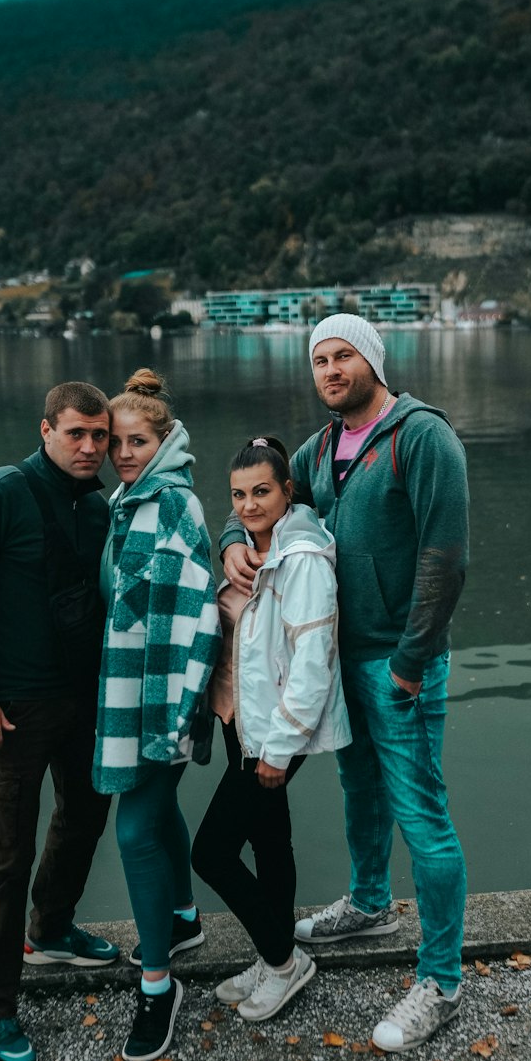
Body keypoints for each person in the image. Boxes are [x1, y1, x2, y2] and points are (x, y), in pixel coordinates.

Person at [221, 316, 469, 1053]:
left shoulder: (423, 438)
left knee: (421, 812)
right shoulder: (322, 447)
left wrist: (410, 661)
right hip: (338, 658)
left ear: (373, 359)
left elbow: (444, 559)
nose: (330, 369)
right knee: (359, 791)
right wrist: (234, 539)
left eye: (343, 355)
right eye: (320, 359)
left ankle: (442, 979)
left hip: (397, 662)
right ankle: (368, 903)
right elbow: (264, 496)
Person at [0, 381, 117, 1061]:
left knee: (87, 813)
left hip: (82, 702)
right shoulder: (1, 493)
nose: (90, 447)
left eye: (99, 435)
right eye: (76, 433)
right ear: (46, 430)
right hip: (10, 710)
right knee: (6, 856)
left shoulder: (97, 508)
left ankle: (51, 926)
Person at [193, 435, 351, 1021]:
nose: (248, 505)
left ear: (289, 490)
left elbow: (314, 663)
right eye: (238, 495)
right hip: (243, 718)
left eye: (262, 491)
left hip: (274, 731)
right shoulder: (252, 547)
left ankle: (285, 963)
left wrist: (279, 749)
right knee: (267, 840)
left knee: (209, 852)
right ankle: (271, 954)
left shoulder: (302, 557)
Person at [94, 369, 220, 1061]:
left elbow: (191, 620)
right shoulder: (129, 499)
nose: (123, 452)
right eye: (117, 442)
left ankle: (157, 985)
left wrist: (175, 717)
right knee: (157, 810)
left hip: (161, 700)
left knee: (135, 827)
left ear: (166, 438)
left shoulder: (169, 504)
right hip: (139, 696)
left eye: (136, 440)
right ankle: (181, 917)